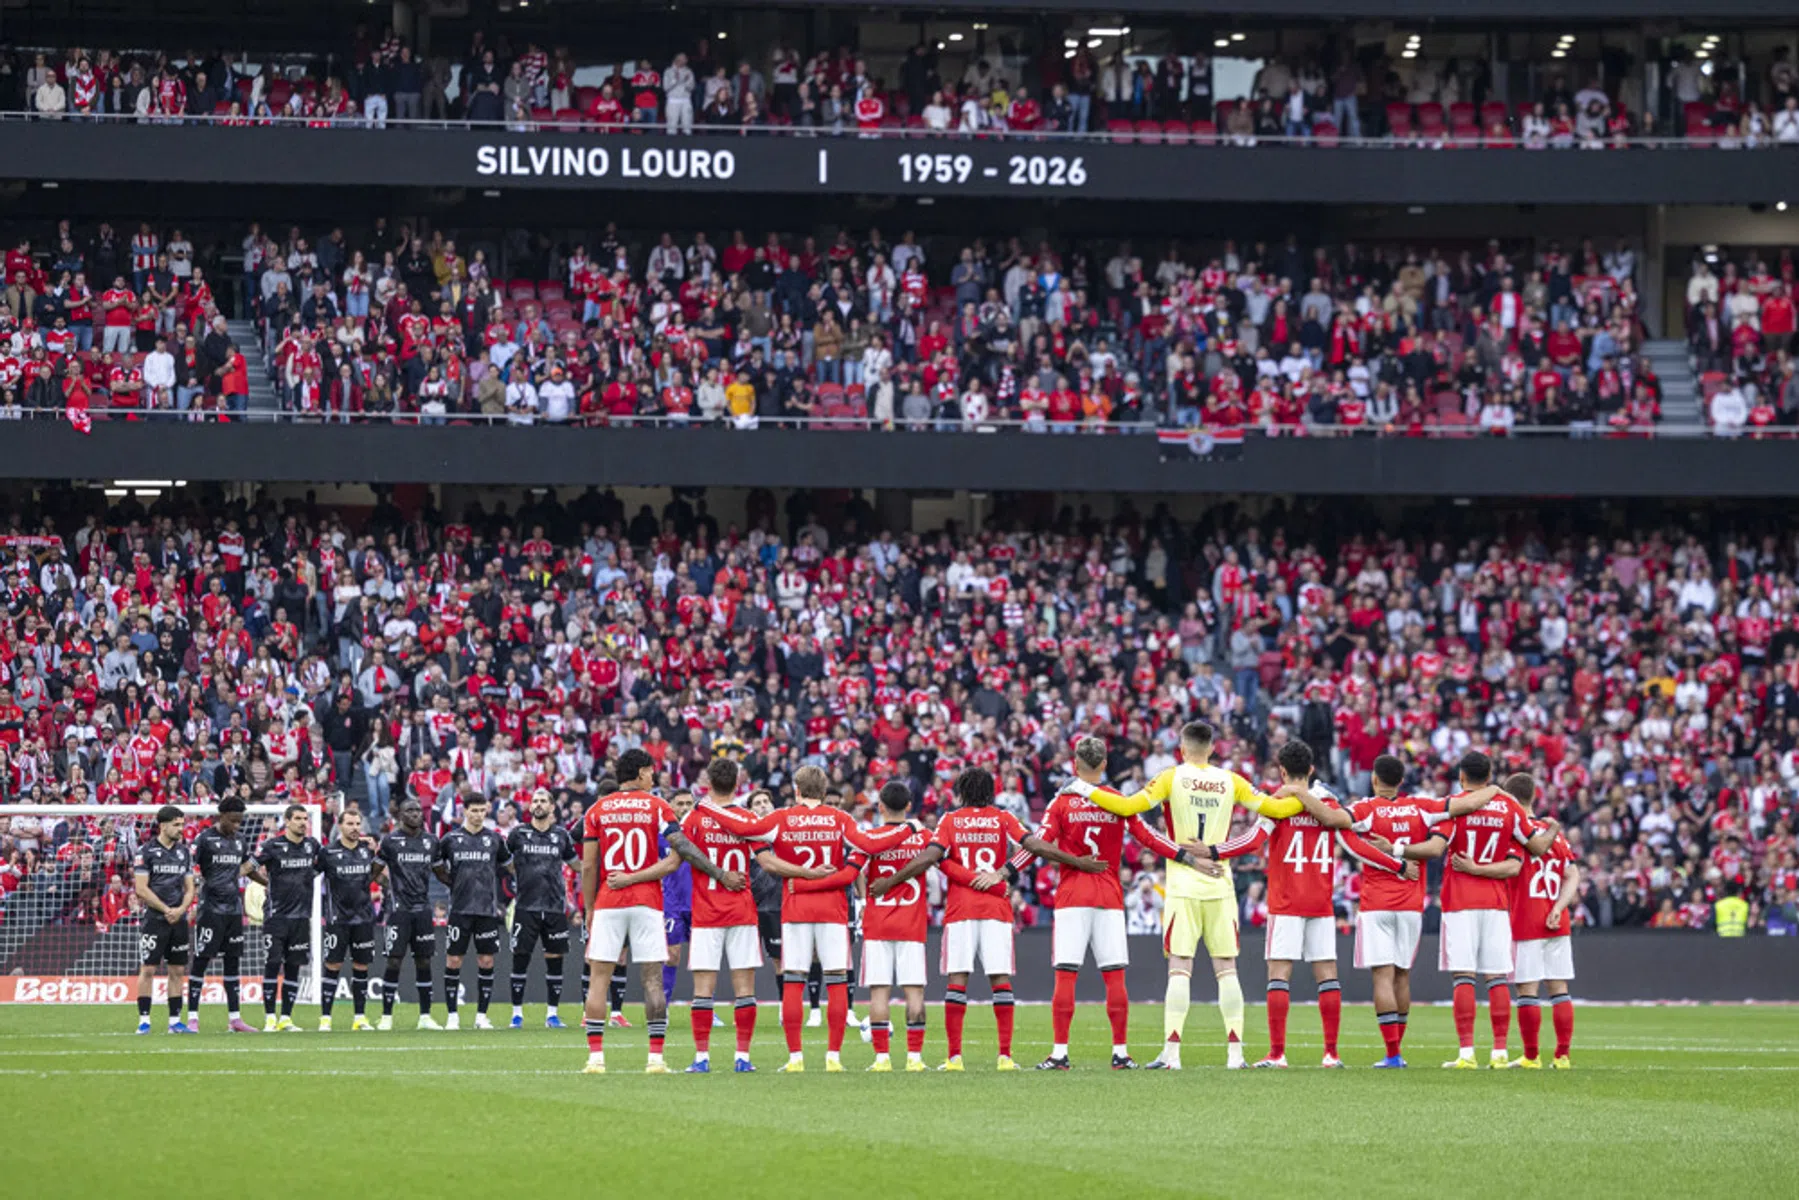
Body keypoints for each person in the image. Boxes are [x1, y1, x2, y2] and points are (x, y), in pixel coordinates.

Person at [1066, 720, 1305, 1070]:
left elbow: (1129, 807)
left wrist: (1084, 790)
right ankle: (1235, 1055)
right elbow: (1278, 812)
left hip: (1182, 883)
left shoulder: (1170, 777)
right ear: (1212, 748)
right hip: (1220, 883)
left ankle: (1172, 1055)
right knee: (1227, 969)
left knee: (1180, 968)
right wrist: (1298, 792)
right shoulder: (1231, 780)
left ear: (1181, 747)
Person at [874, 766, 1101, 1072]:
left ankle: (954, 1058)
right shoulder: (1003, 817)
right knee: (1000, 981)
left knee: (957, 981)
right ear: (991, 792)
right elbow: (1033, 846)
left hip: (960, 909)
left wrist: (890, 882)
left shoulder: (951, 820)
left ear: (962, 792)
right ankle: (1005, 1057)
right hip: (995, 907)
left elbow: (931, 858)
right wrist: (1076, 862)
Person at [697, 763, 913, 1072]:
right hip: (833, 909)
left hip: (796, 907)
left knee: (794, 981)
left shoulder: (782, 818)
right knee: (837, 981)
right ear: (825, 792)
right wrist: (908, 828)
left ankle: (795, 1057)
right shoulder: (840, 819)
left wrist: (707, 808)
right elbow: (871, 846)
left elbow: (744, 828)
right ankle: (834, 1057)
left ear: (797, 791)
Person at [1217, 740, 1407, 1069]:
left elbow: (1252, 841)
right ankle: (1331, 1054)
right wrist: (1398, 865)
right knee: (1327, 976)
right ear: (1312, 770)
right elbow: (1357, 847)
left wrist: (1212, 850)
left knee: (1279, 974)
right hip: (1319, 900)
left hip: (1286, 900)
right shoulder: (1329, 804)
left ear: (1282, 770)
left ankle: (1277, 1054)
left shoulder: (1276, 803)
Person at [1017, 736, 1200, 1071]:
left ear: (1075, 764)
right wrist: (1185, 856)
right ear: (1103, 765)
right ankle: (1120, 1052)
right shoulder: (1118, 801)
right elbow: (1149, 837)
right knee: (1114, 977)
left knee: (1066, 976)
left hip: (1072, 896)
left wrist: (1006, 872)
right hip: (1109, 896)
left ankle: (1059, 1053)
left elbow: (1037, 844)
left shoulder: (1062, 802)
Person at [579, 748, 734, 1074]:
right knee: (652, 980)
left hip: (609, 901)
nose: (653, 777)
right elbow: (678, 854)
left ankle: (595, 1058)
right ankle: (655, 1058)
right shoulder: (658, 807)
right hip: (648, 903)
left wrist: (590, 907)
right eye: (650, 772)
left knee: (598, 980)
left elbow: (589, 865)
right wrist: (719, 873)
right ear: (638, 774)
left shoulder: (597, 810)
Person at [1410, 752, 1556, 1069]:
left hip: (1460, 902)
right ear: (1489, 777)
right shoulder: (1510, 809)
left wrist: (1397, 851)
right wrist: (1553, 828)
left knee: (1464, 976)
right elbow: (1536, 849)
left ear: (1462, 777)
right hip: (1496, 903)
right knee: (1497, 978)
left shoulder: (1456, 807)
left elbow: (1435, 848)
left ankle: (1466, 1054)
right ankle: (1500, 1053)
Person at [1342, 754, 1438, 1067]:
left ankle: (1393, 1054)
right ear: (1401, 780)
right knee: (1402, 976)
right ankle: (1397, 1052)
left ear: (1374, 778)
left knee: (1382, 977)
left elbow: (1338, 822)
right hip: (1411, 903)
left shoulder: (1365, 808)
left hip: (1377, 903)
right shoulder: (1422, 808)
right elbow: (1457, 805)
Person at [678, 759, 774, 1072]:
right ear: (737, 784)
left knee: (703, 989)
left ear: (707, 781)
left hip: (706, 911)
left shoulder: (695, 816)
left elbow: (677, 855)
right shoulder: (747, 818)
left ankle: (701, 1058)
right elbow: (767, 861)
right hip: (742, 910)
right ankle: (743, 1057)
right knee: (744, 988)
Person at [855, 781, 934, 1072]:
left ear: (881, 807)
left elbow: (855, 870)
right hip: (911, 924)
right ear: (909, 806)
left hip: (878, 924)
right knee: (915, 993)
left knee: (879, 993)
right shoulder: (923, 836)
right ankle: (914, 1058)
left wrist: (862, 895)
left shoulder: (871, 837)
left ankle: (881, 1059)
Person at [1505, 774, 1578, 1069]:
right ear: (1534, 796)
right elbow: (1573, 875)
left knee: (1527, 990)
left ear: (1510, 800)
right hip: (1556, 920)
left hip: (1525, 918)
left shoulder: (1516, 833)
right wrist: (1559, 907)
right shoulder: (1555, 835)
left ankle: (1531, 1056)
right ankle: (1562, 1056)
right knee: (1558, 988)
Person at [433, 794, 513, 1030]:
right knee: (454, 960)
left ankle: (481, 1016)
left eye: (482, 810)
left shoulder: (494, 839)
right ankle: (452, 1016)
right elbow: (437, 867)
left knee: (486, 961)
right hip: (460, 909)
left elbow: (509, 866)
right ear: (464, 811)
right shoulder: (451, 839)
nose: (478, 815)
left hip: (487, 910)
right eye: (474, 810)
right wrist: (452, 883)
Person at [506, 788, 580, 1029]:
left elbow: (576, 865)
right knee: (520, 958)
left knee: (554, 958)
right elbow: (504, 862)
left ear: (552, 807)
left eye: (543, 801)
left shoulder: (562, 835)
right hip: (525, 906)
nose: (538, 804)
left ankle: (552, 1015)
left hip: (554, 907)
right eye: (535, 801)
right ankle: (516, 1014)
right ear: (529, 807)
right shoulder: (517, 834)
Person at [185, 795, 258, 1033]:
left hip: (233, 910)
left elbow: (248, 867)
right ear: (222, 816)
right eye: (234, 821)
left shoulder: (240, 841)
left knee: (233, 962)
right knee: (201, 962)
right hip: (210, 909)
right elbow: (190, 869)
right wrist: (192, 899)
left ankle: (235, 1019)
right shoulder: (204, 839)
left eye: (240, 821)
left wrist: (268, 883)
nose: (237, 826)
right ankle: (193, 1018)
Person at [249, 803, 322, 1032]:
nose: (303, 822)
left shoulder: (312, 845)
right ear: (287, 821)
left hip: (302, 916)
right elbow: (251, 866)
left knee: (294, 966)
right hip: (276, 916)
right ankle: (270, 1017)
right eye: (298, 818)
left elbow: (324, 864)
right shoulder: (273, 846)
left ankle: (286, 1018)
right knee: (272, 964)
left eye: (305, 818)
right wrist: (264, 882)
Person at [315, 805, 383, 1032]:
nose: (355, 828)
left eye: (357, 824)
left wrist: (380, 855)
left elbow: (380, 878)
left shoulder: (367, 851)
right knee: (333, 965)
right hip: (337, 919)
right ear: (340, 826)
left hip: (363, 918)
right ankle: (325, 1018)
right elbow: (310, 875)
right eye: (350, 824)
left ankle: (360, 1017)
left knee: (361, 966)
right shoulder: (328, 853)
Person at [377, 798, 442, 1029]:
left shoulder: (431, 842)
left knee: (424, 961)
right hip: (399, 911)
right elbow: (374, 871)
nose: (415, 814)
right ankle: (386, 1017)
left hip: (423, 910)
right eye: (410, 811)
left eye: (417, 810)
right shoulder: (391, 841)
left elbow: (441, 871)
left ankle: (425, 1016)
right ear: (401, 815)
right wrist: (389, 886)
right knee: (394, 961)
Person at [131, 804, 196, 1035]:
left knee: (177, 970)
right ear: (163, 825)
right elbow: (141, 889)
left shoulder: (184, 852)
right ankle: (144, 1020)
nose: (181, 829)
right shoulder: (145, 852)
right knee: (148, 969)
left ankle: (175, 1021)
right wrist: (167, 909)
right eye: (177, 825)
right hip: (155, 919)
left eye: (183, 824)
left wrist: (180, 910)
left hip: (178, 919)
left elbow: (190, 888)